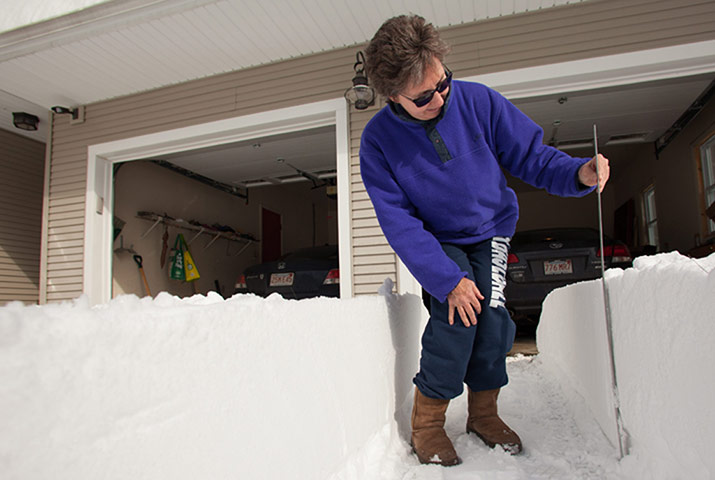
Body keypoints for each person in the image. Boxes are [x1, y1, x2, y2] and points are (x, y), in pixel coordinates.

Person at [359, 15, 609, 466]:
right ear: (392, 95)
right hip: (437, 242)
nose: (439, 98)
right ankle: (428, 424)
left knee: (492, 319)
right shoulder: (377, 142)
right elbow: (397, 221)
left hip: (489, 229)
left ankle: (483, 413)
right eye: (423, 97)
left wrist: (577, 173)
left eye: (443, 83)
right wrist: (446, 278)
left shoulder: (478, 102)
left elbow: (530, 155)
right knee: (459, 317)